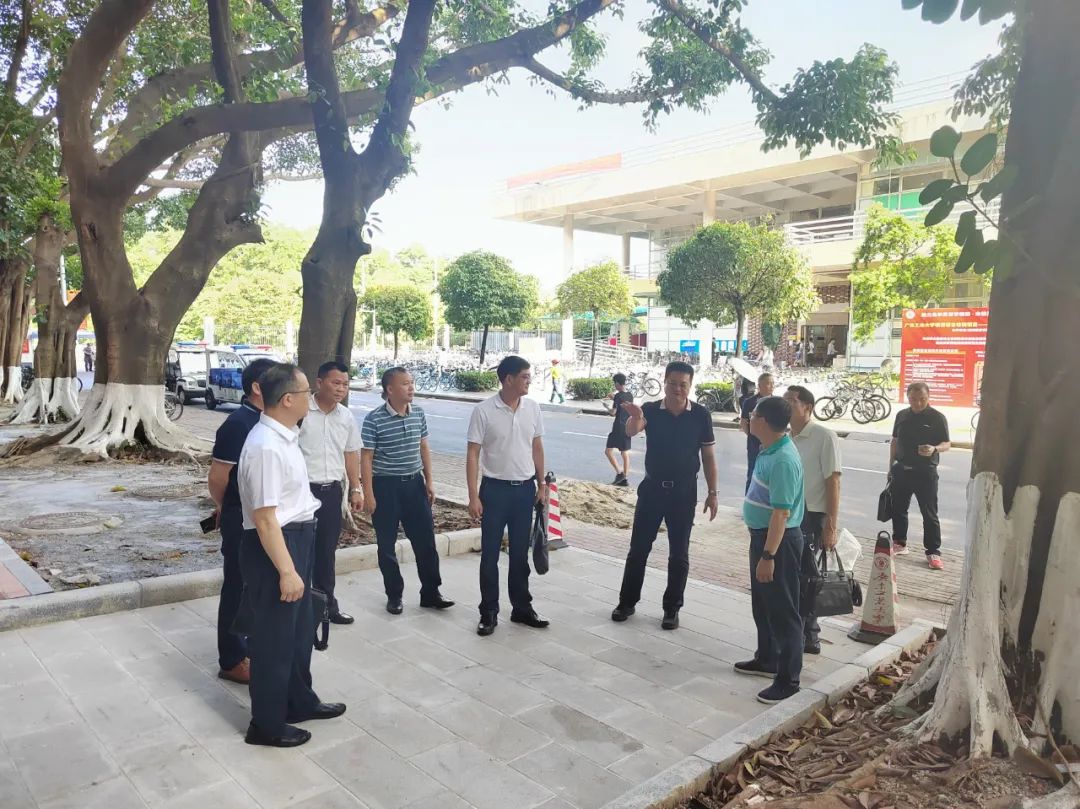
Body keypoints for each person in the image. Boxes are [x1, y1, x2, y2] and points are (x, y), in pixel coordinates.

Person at [238, 363, 345, 748]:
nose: (309, 399)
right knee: (274, 640)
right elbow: (265, 518)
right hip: (276, 545)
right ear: (287, 400)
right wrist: (286, 570)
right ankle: (266, 724)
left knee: (299, 631)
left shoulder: (284, 436)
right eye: (304, 394)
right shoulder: (265, 447)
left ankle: (299, 701)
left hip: (297, 537)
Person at [610, 361, 719, 631]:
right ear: (665, 382)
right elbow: (631, 431)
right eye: (672, 383)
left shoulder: (701, 415)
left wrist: (712, 492)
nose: (677, 389)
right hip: (652, 490)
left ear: (690, 385)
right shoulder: (650, 410)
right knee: (638, 550)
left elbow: (708, 455)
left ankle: (672, 609)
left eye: (683, 384)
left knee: (679, 554)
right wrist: (636, 416)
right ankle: (626, 602)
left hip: (684, 493)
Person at [207, 357, 278, 685]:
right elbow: (218, 478)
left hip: (264, 517)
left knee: (256, 585)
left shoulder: (269, 421)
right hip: (242, 518)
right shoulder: (238, 424)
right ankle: (232, 659)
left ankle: (251, 645)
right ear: (257, 388)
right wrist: (230, 508)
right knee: (237, 586)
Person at [466, 355, 550, 637]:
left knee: (520, 555)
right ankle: (488, 612)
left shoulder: (533, 408)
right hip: (494, 492)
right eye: (524, 376)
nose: (529, 381)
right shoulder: (484, 411)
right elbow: (473, 454)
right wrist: (473, 496)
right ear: (508, 379)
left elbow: (537, 447)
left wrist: (542, 484)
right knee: (489, 555)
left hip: (524, 491)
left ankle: (522, 608)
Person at [361, 367, 454, 614]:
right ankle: (394, 595)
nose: (411, 387)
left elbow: (424, 447)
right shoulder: (373, 419)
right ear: (390, 389)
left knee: (426, 542)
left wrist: (429, 481)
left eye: (412, 382)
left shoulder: (418, 413)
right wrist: (368, 493)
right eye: (405, 384)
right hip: (385, 487)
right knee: (386, 546)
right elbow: (366, 458)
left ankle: (431, 592)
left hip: (414, 485)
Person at [735, 395, 805, 705]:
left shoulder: (783, 460)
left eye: (752, 414)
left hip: (778, 543)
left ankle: (788, 680)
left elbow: (781, 514)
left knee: (783, 611)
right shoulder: (769, 448)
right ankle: (767, 658)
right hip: (762, 537)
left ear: (762, 421)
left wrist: (768, 556)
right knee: (763, 605)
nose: (748, 418)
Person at [298, 360, 364, 625]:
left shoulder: (345, 416)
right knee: (300, 550)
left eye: (345, 384)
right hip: (302, 492)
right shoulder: (301, 411)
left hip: (331, 492)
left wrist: (356, 488)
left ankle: (326, 606)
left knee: (326, 552)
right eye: (336, 383)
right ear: (319, 382)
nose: (341, 389)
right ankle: (299, 607)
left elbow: (351, 453)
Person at [783, 385, 842, 655]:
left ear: (807, 407)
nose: (786, 405)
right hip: (788, 513)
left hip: (812, 515)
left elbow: (833, 482)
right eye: (784, 400)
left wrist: (830, 525)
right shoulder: (786, 437)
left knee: (809, 577)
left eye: (791, 401)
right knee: (790, 575)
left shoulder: (824, 436)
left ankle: (810, 635)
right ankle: (794, 631)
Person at [889, 382, 950, 570]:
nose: (917, 403)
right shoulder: (901, 415)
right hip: (902, 469)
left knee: (929, 513)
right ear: (908, 398)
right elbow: (895, 441)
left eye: (922, 399)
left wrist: (934, 449)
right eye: (913, 399)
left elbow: (947, 444)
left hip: (925, 472)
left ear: (928, 397)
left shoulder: (937, 417)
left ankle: (933, 551)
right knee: (898, 508)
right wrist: (890, 467)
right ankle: (899, 543)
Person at [740, 372, 774, 493]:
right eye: (769, 383)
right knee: (752, 473)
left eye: (773, 383)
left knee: (770, 475)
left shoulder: (777, 403)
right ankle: (749, 499)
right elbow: (744, 422)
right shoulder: (750, 402)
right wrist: (752, 435)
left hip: (772, 445)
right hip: (754, 445)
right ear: (760, 385)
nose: (772, 386)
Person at [603, 373, 634, 486]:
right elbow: (623, 402)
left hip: (618, 427)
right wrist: (614, 398)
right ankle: (625, 477)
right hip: (627, 425)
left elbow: (613, 412)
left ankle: (619, 473)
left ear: (617, 383)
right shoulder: (630, 395)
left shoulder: (617, 396)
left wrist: (606, 406)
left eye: (614, 383)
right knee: (624, 452)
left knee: (608, 451)